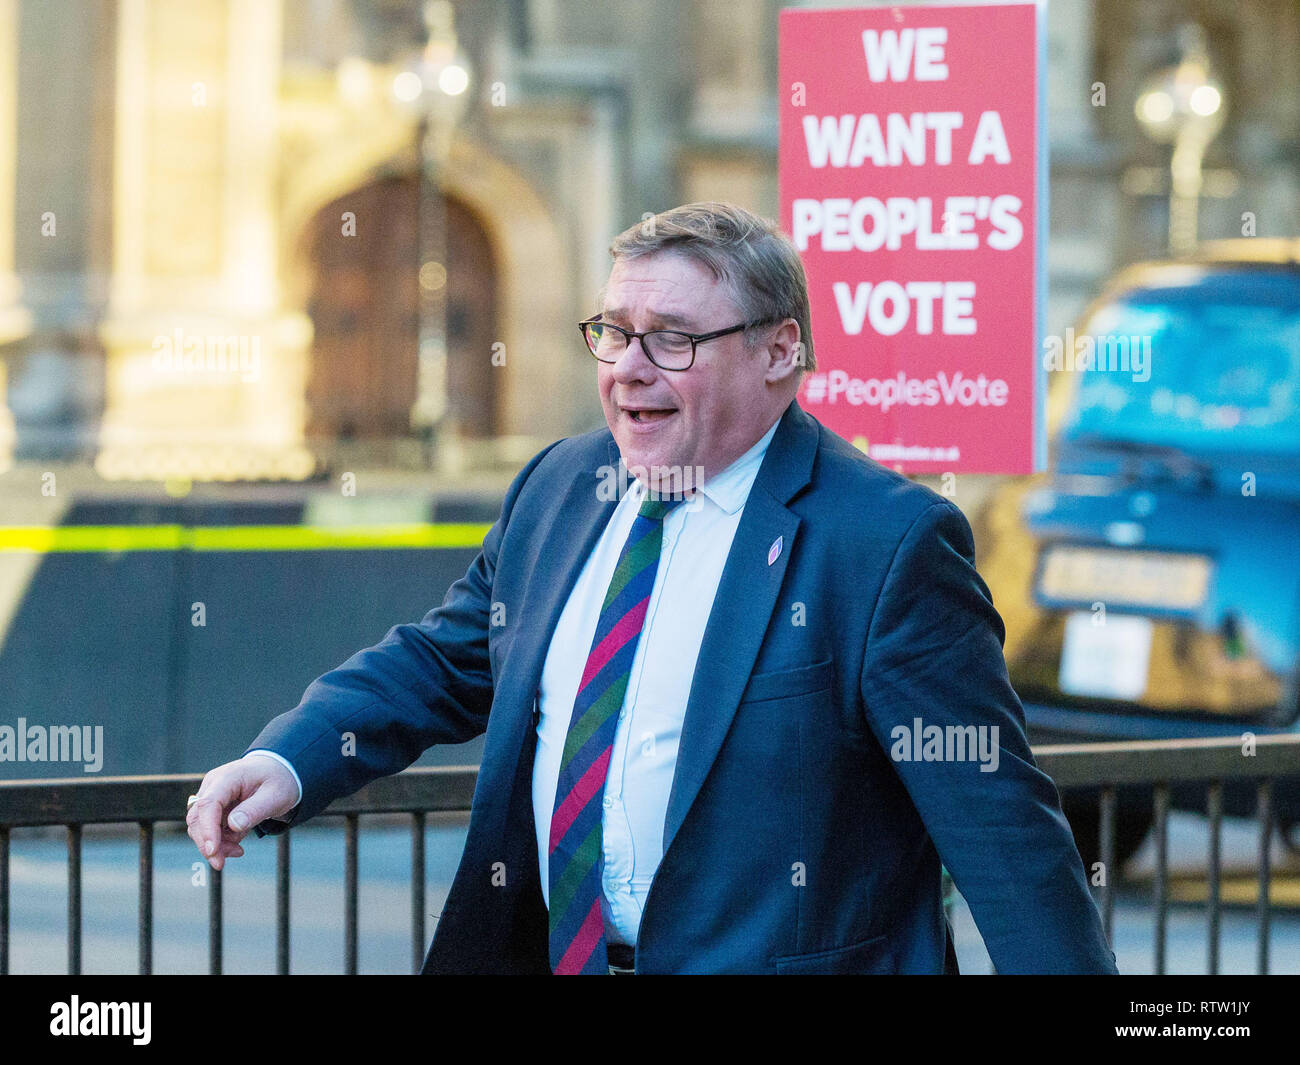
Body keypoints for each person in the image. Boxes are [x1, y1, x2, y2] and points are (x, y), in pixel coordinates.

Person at [187, 202, 1117, 975]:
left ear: (778, 351)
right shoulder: (560, 486)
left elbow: (1006, 838)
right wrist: (294, 757)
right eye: (612, 333)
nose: (628, 367)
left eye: (672, 340)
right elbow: (445, 657)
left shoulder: (885, 542)